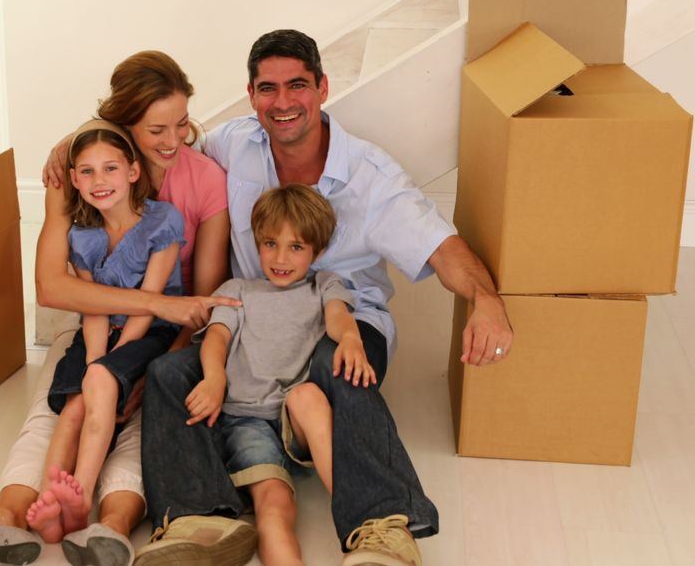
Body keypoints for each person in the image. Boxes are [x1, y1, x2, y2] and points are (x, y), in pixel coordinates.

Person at [134, 29, 514, 566]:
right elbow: (159, 143)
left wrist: (487, 301)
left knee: (337, 365)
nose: (282, 102)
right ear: (251, 94)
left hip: (342, 323)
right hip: (257, 327)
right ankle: (199, 519)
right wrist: (82, 141)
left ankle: (381, 526)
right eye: (268, 88)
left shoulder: (370, 176)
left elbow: (441, 247)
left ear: (322, 88)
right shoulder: (233, 143)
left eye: (297, 86)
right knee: (170, 374)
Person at [0, 51, 236, 566]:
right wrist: (117, 339)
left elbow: (203, 295)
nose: (173, 141)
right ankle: (11, 514)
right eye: (156, 129)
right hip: (97, 324)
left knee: (139, 418)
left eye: (182, 124)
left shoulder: (203, 182)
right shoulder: (81, 171)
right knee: (58, 409)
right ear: (123, 124)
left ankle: (108, 525)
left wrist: (163, 362)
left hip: (171, 333)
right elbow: (53, 288)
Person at [181, 183, 375, 566]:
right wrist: (214, 378)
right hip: (245, 420)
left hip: (296, 418)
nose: (280, 257)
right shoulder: (238, 289)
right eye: (270, 244)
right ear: (256, 244)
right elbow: (216, 338)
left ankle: (360, 518)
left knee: (307, 395)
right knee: (272, 503)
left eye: (296, 247)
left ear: (317, 252)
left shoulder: (324, 285)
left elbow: (338, 316)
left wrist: (351, 339)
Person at [26, 119, 184, 547]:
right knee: (76, 402)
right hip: (101, 328)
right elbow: (91, 305)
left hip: (149, 329)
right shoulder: (84, 235)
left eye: (111, 168)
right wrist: (97, 359)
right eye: (88, 171)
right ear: (74, 180)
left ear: (133, 171)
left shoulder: (162, 223)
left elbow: (151, 303)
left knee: (98, 380)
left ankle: (81, 491)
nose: (100, 181)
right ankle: (51, 502)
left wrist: (113, 367)